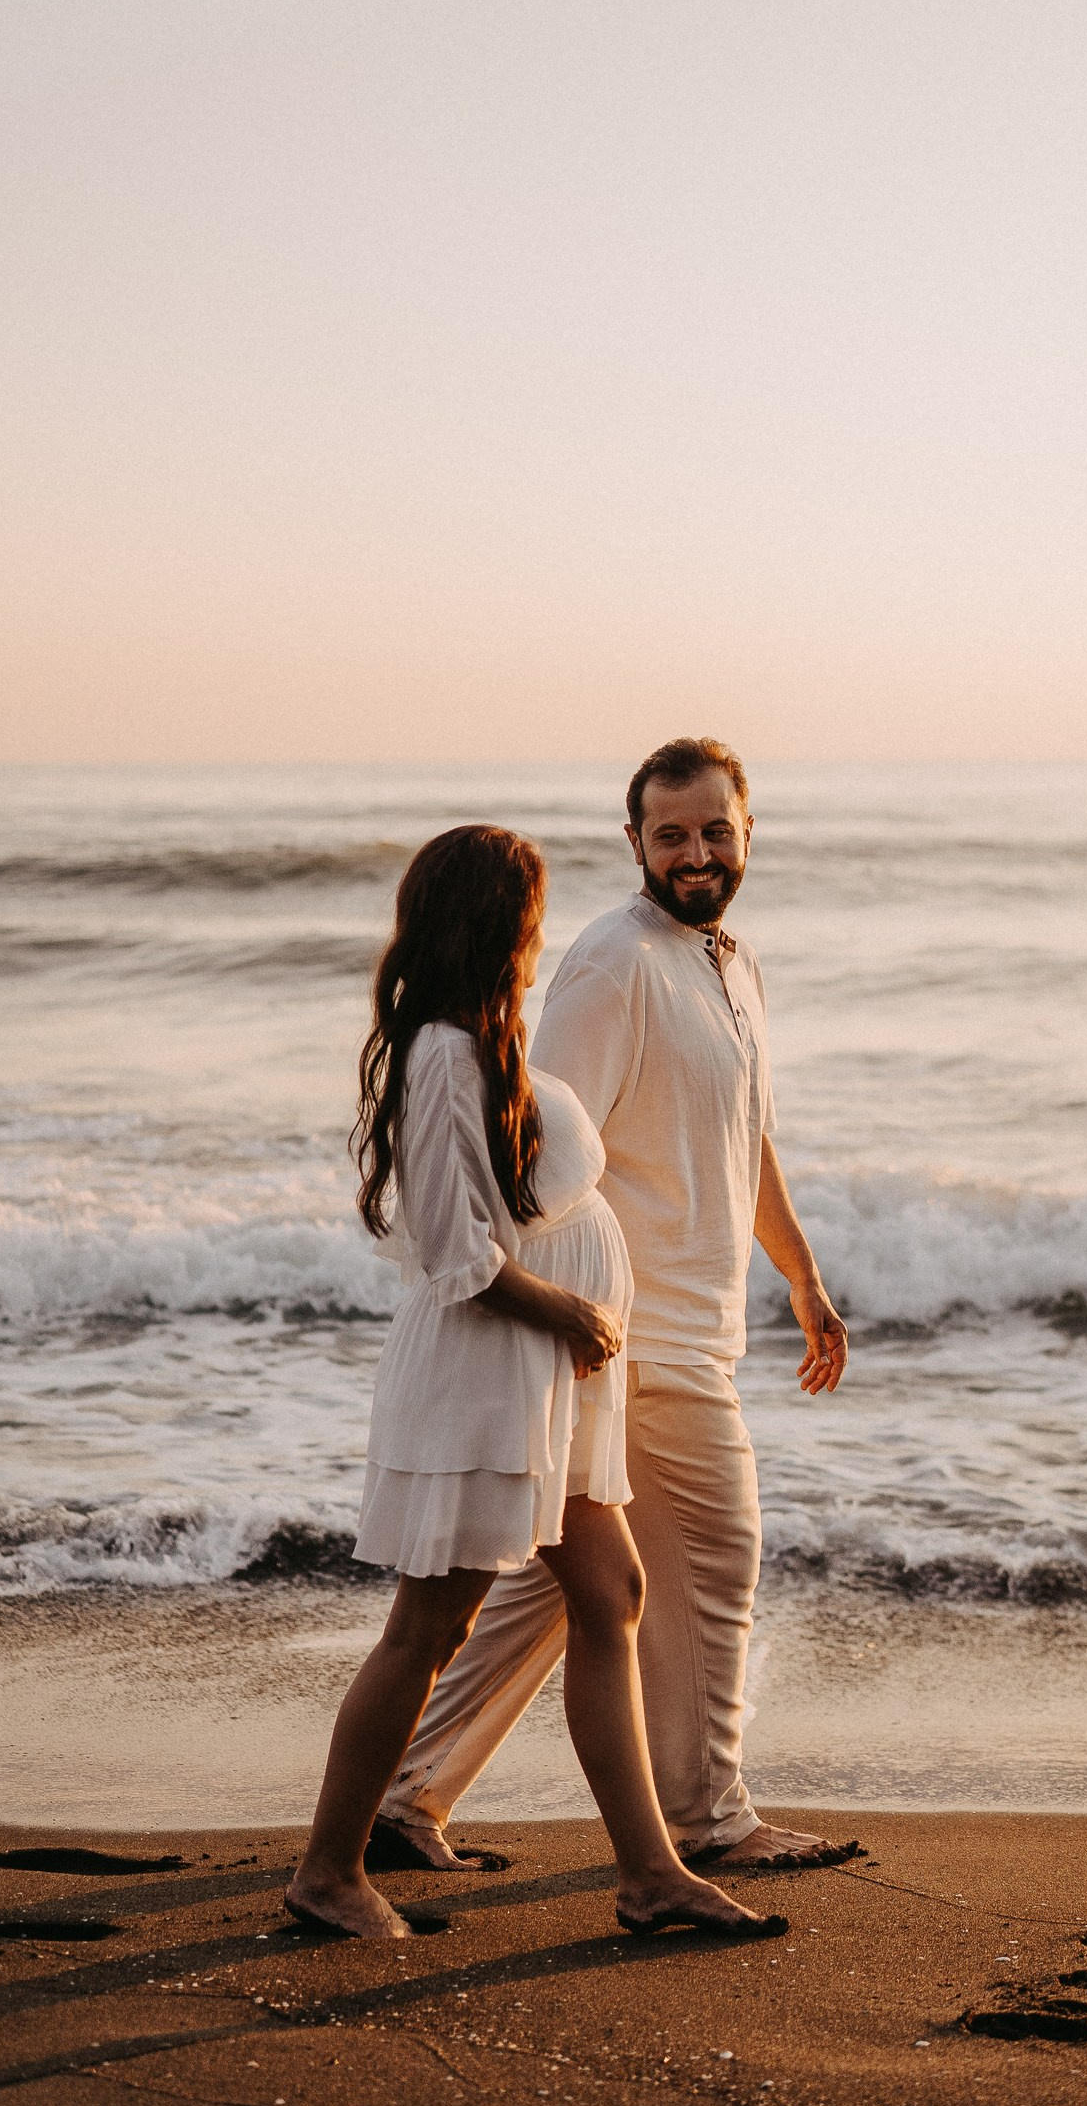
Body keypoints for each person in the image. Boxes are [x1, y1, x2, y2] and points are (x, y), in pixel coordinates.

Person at [285, 822, 783, 1944]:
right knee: (426, 1627)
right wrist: (566, 1310)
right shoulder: (441, 1057)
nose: (540, 933)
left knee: (608, 1594)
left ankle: (649, 1874)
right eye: (528, 912)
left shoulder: (487, 1041)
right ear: (492, 922)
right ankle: (326, 1871)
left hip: (545, 1377)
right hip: (489, 1371)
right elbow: (454, 1250)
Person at [372, 741, 859, 1879]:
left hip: (695, 1320)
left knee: (570, 1593)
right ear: (632, 839)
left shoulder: (727, 964)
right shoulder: (611, 965)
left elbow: (751, 1140)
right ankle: (707, 1819)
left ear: (748, 834)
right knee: (711, 1560)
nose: (695, 852)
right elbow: (533, 1146)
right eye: (670, 834)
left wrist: (799, 1272)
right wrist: (549, 1316)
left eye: (714, 832)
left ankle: (407, 1796)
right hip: (628, 1332)